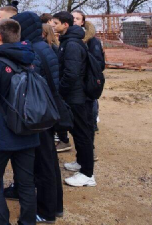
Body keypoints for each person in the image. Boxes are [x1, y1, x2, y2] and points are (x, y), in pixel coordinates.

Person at [0, 19, 39, 225]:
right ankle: (27, 222)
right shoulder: (31, 59)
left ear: (0, 37)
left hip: (0, 134)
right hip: (29, 129)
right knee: (27, 183)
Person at [13, 12, 64, 222]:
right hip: (48, 111)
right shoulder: (45, 47)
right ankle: (55, 205)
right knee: (50, 161)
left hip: (39, 113)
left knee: (43, 164)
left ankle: (46, 211)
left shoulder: (33, 51)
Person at [52, 11, 96, 187]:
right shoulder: (69, 42)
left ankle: (87, 174)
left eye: (56, 23)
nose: (53, 26)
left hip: (76, 96)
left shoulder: (71, 45)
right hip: (74, 95)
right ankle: (80, 162)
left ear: (65, 25)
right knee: (78, 132)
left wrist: (60, 91)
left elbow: (71, 73)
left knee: (82, 133)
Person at [72, 11, 105, 151]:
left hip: (87, 85)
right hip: (76, 87)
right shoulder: (69, 40)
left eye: (77, 18)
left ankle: (89, 153)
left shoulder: (92, 41)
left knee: (87, 118)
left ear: (82, 22)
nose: (74, 21)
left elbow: (99, 64)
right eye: (72, 18)